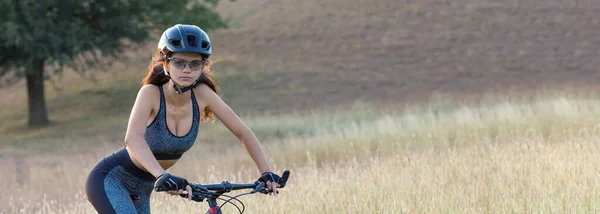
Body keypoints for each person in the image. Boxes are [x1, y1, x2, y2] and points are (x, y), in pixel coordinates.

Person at [85, 24, 281, 214]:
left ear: (203, 66)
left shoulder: (203, 95)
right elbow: (133, 139)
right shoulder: (151, 94)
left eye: (195, 63)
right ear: (166, 63)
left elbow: (242, 132)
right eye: (179, 62)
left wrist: (266, 172)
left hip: (144, 187)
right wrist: (162, 175)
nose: (187, 69)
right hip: (111, 179)